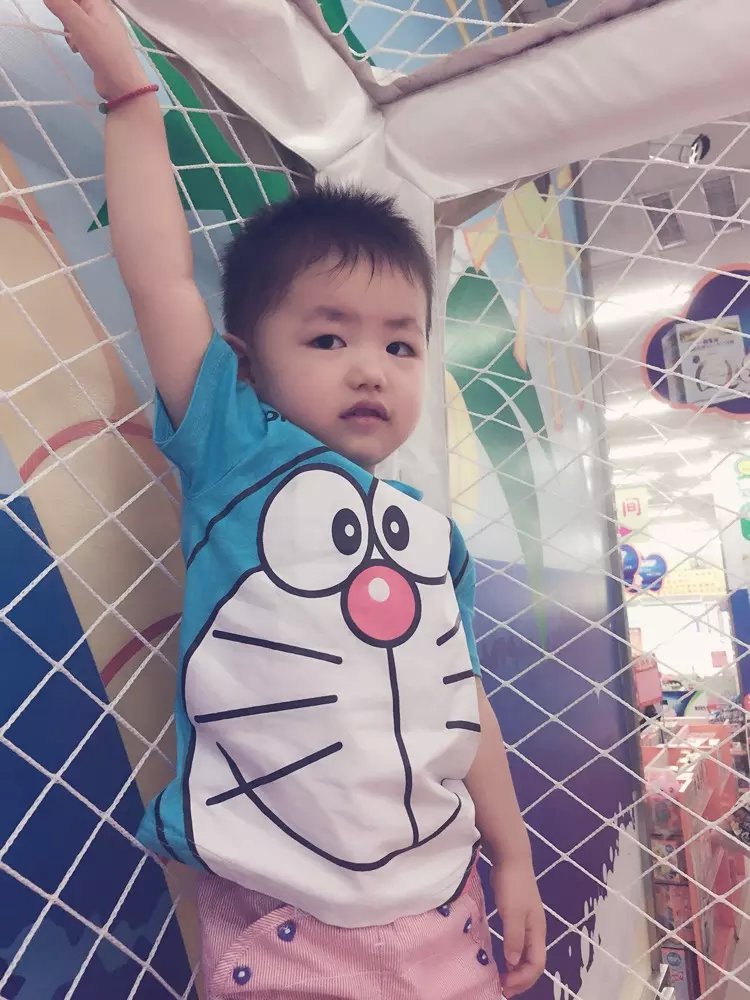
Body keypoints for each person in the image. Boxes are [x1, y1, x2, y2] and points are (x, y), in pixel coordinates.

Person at [44, 1, 547, 997]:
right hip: (287, 921)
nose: (371, 367)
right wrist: (130, 94)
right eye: (328, 337)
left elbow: (464, 700)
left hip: (445, 904)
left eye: (400, 343)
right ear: (247, 364)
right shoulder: (236, 447)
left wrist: (514, 852)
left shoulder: (430, 537)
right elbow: (161, 283)